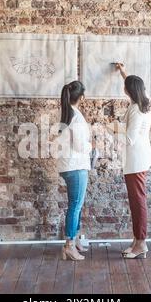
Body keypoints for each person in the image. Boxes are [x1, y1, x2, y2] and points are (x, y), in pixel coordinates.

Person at [112, 63, 151, 259]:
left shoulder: (137, 109)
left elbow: (129, 139)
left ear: (128, 91)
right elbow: (132, 85)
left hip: (136, 160)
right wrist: (123, 72)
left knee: (138, 202)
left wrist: (112, 127)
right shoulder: (144, 103)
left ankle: (141, 243)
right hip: (139, 159)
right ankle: (137, 240)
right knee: (137, 201)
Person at [56, 81, 92, 261]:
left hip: (67, 165)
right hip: (76, 166)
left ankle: (75, 240)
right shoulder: (76, 117)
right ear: (81, 98)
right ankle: (69, 245)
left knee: (75, 206)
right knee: (75, 206)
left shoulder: (64, 113)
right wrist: (92, 145)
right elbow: (79, 145)